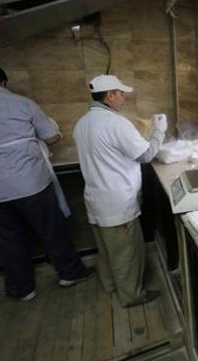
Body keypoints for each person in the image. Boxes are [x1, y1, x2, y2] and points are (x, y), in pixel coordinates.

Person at [0, 67, 93, 302]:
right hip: (30, 184)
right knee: (52, 230)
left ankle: (22, 289)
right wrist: (53, 133)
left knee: (9, 240)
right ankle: (70, 273)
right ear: (4, 82)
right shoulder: (22, 103)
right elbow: (50, 136)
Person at [73, 74, 167, 308]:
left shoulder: (82, 123)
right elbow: (146, 155)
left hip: (95, 199)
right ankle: (132, 296)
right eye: (120, 93)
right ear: (109, 96)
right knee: (127, 253)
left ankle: (110, 286)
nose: (123, 98)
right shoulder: (115, 123)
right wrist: (159, 131)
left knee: (107, 250)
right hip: (117, 203)